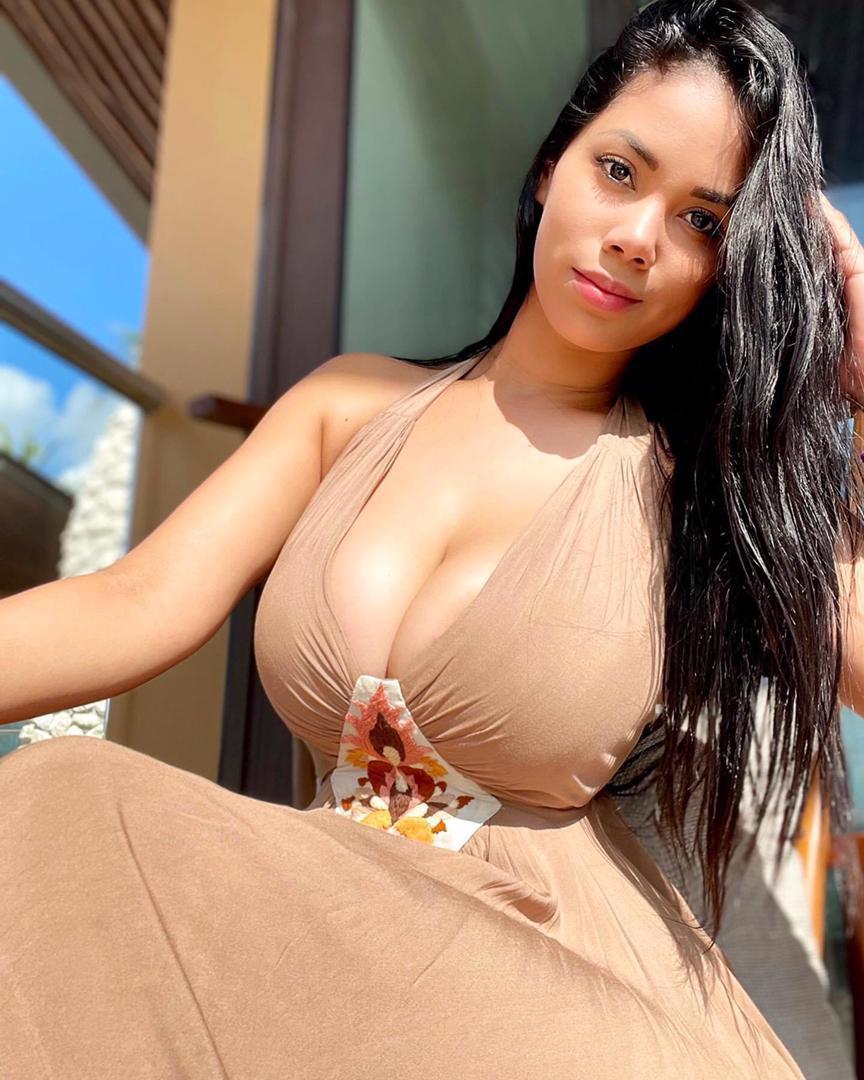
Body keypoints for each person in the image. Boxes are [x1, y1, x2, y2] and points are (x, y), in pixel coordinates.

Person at [1, 0, 862, 1075]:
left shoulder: (706, 491)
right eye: (621, 172)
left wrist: (858, 392)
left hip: (552, 1000)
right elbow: (134, 604)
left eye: (702, 223)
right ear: (551, 168)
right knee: (62, 803)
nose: (639, 238)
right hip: (327, 934)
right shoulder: (348, 407)